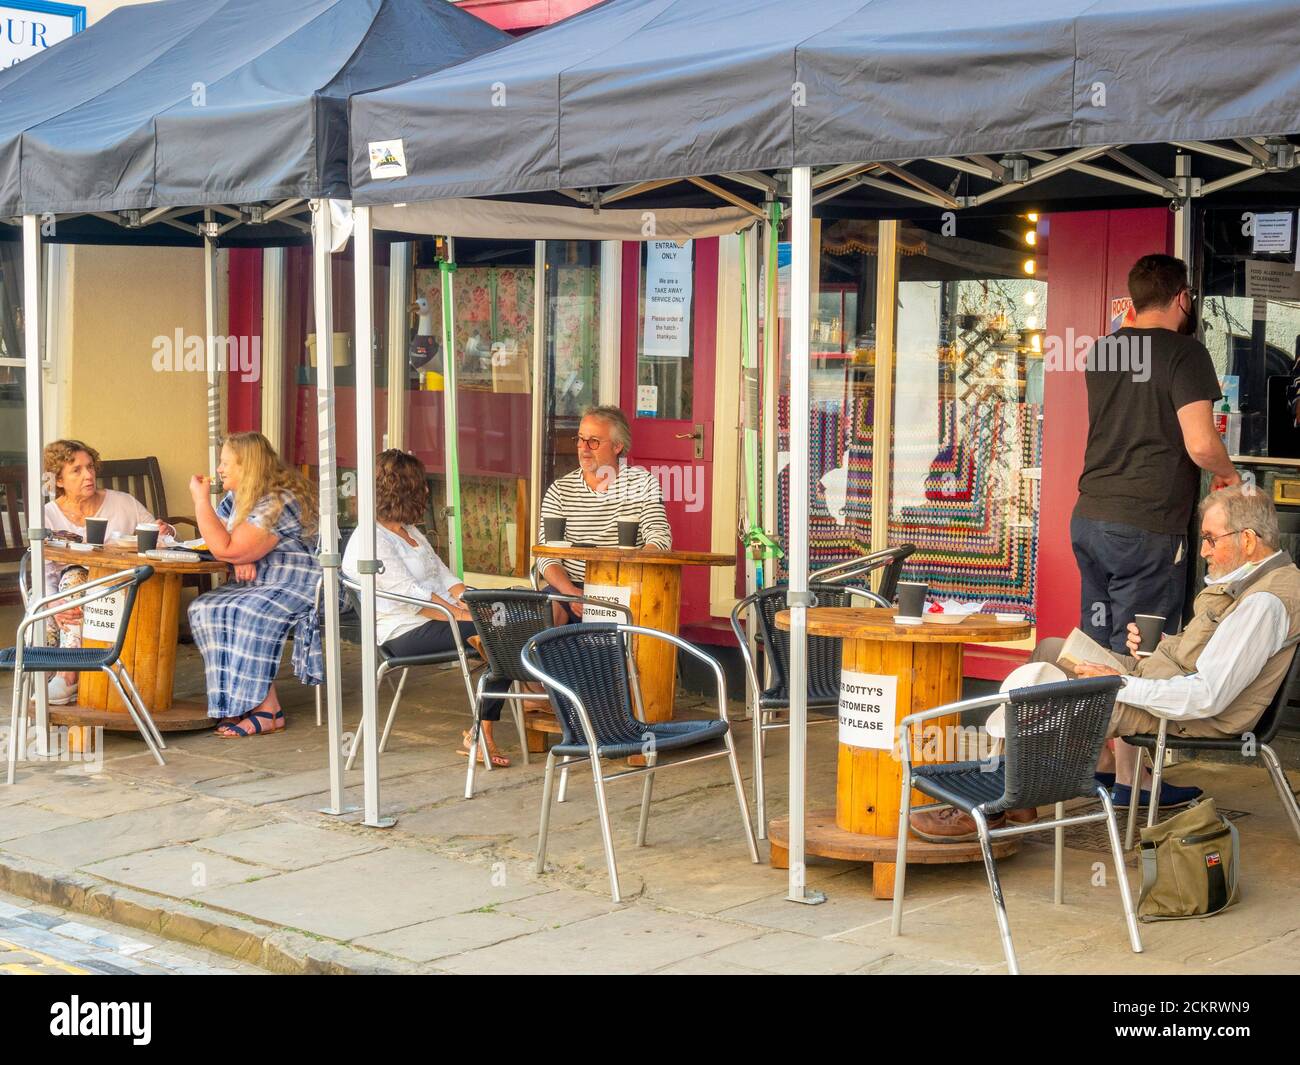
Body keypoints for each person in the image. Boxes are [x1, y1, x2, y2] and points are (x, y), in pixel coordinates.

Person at [913, 485, 1300, 841]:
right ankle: (1018, 796)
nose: (1204, 551)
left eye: (1212, 540)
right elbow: (1210, 657)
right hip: (1158, 682)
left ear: (1248, 540)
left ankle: (993, 804)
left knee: (1063, 697)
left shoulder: (1263, 602)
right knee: (1051, 650)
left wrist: (1119, 682)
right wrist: (1159, 648)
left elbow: (1208, 695)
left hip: (1193, 715)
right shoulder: (1252, 581)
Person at [1072, 254, 1240, 655]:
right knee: (1141, 653)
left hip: (1090, 520)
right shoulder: (1186, 353)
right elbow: (1200, 444)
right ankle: (1125, 719)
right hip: (1145, 526)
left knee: (1095, 647)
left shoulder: (1103, 351)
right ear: (1182, 298)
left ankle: (1091, 718)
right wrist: (1231, 476)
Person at [342, 449, 514, 767]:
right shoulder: (370, 539)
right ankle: (485, 731)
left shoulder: (409, 531)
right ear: (402, 490)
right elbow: (414, 598)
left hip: (440, 616)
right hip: (404, 631)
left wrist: (476, 599)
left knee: (510, 617)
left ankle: (490, 725)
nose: (426, 491)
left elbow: (445, 577)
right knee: (499, 632)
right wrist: (468, 614)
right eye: (421, 485)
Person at [187, 432, 321, 737]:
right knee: (205, 608)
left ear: (246, 465)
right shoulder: (238, 497)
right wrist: (237, 555)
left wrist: (200, 500)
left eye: (225, 463)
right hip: (261, 582)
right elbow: (218, 537)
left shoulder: (278, 500)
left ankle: (267, 711)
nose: (219, 469)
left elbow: (226, 546)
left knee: (248, 612)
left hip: (299, 583)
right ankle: (241, 703)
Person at [41, 439, 176, 705]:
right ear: (58, 480)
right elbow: (43, 571)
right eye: (76, 470)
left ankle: (67, 676)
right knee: (59, 589)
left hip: (118, 587)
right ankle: (57, 674)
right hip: (62, 592)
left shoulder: (123, 503)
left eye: (90, 467)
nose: (88, 475)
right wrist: (53, 603)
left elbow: (166, 540)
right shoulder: (48, 515)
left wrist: (167, 531)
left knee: (75, 579)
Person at [537, 405, 671, 621]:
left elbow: (659, 537)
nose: (584, 448)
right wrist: (571, 593)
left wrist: (630, 579)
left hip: (623, 588)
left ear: (618, 446)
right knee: (547, 611)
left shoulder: (642, 483)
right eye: (580, 439)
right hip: (570, 588)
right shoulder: (560, 490)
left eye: (594, 441)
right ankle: (518, 651)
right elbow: (547, 556)